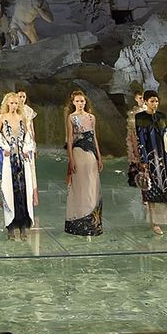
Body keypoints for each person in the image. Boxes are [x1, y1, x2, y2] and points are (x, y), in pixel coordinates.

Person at [0, 91, 36, 239]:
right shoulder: (2, 117)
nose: (14, 105)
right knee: (9, 191)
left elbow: (28, 137)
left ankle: (23, 226)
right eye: (11, 103)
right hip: (8, 159)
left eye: (16, 103)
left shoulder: (22, 117)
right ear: (6, 104)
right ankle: (10, 227)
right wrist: (2, 148)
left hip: (21, 161)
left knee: (22, 192)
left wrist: (26, 149)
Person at [136, 90, 167, 235]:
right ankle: (155, 223)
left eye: (156, 101)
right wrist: (143, 160)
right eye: (152, 101)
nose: (155, 103)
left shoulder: (162, 116)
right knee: (153, 190)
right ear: (146, 102)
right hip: (151, 157)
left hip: (165, 158)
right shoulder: (140, 117)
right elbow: (140, 140)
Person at [64, 89, 103, 236]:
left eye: (82, 101)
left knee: (93, 184)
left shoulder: (92, 117)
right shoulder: (71, 118)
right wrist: (71, 159)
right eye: (77, 101)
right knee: (80, 185)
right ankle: (78, 220)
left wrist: (99, 157)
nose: (80, 103)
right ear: (73, 103)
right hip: (78, 152)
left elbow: (95, 138)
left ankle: (93, 221)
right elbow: (70, 140)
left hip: (91, 153)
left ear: (85, 102)